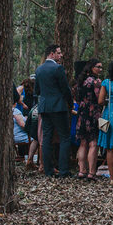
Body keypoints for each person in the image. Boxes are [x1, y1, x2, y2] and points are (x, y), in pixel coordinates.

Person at [34, 44, 73, 178]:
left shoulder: (38, 70)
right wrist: (70, 103)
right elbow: (65, 88)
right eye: (59, 53)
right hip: (58, 107)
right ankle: (63, 170)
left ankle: (48, 170)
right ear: (51, 54)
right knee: (64, 138)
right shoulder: (58, 68)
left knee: (47, 138)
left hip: (44, 107)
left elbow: (37, 91)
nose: (61, 55)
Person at [73, 59, 102, 180]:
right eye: (98, 67)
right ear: (91, 68)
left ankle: (81, 171)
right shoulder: (96, 82)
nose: (100, 70)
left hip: (82, 113)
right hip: (93, 113)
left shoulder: (80, 82)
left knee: (83, 142)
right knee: (93, 143)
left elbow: (77, 98)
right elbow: (99, 98)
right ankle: (91, 172)